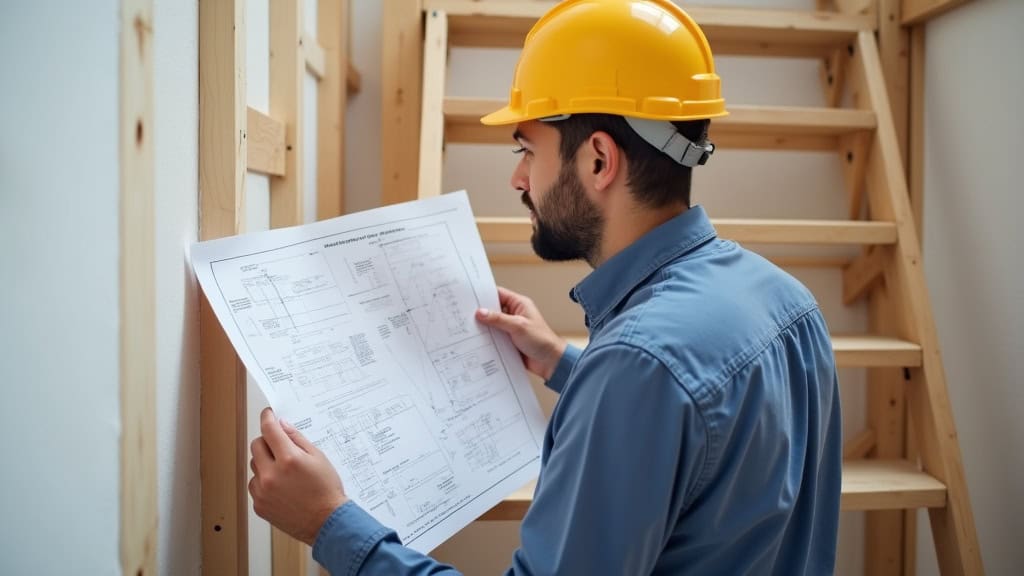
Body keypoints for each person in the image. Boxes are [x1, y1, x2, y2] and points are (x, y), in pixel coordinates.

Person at [248, 0, 843, 573]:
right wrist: (566, 364)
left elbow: (657, 383)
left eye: (528, 150)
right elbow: (703, 440)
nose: (518, 177)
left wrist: (330, 523)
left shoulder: (640, 367)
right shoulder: (787, 302)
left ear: (599, 161)